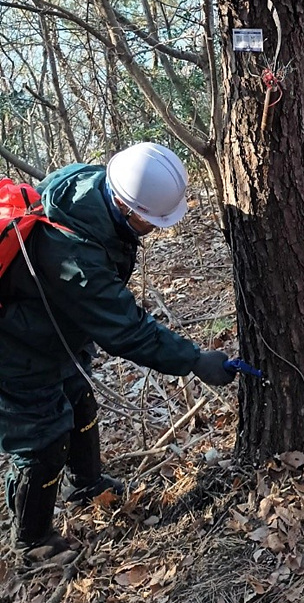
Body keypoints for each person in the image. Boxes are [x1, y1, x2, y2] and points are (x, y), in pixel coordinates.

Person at [0, 142, 237, 559]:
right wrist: (195, 360)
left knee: (79, 403)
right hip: (15, 348)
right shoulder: (74, 258)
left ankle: (87, 485)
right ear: (127, 209)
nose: (153, 229)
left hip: (48, 328)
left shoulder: (94, 183)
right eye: (149, 222)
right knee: (43, 438)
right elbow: (126, 329)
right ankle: (32, 542)